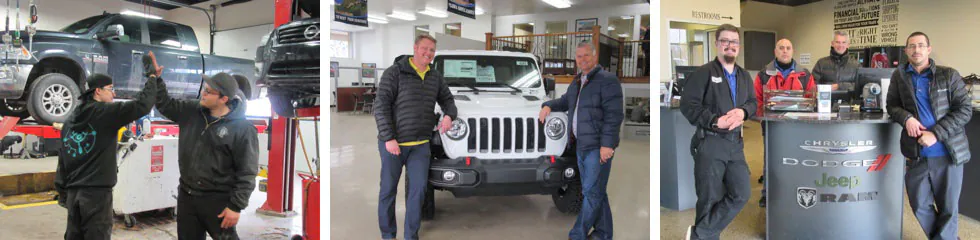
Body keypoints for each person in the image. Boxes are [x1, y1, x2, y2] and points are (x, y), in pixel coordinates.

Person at [148, 51, 260, 239]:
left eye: (209, 92)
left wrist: (236, 206)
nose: (203, 93)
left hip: (218, 201)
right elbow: (165, 105)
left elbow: (247, 172)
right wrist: (157, 80)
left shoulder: (242, 129)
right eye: (204, 89)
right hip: (187, 197)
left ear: (224, 99)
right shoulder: (192, 111)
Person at [55, 59, 159, 239]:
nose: (114, 93)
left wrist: (63, 193)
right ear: (98, 91)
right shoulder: (106, 113)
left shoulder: (70, 120)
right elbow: (142, 105)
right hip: (96, 195)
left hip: (73, 195)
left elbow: (62, 158)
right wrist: (151, 77)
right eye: (111, 88)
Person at [886, 32, 971, 240]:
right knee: (919, 204)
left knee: (948, 208)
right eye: (912, 46)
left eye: (921, 45)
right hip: (917, 154)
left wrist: (935, 133)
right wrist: (906, 118)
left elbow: (964, 110)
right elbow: (892, 106)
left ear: (929, 49)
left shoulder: (948, 75)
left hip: (947, 153)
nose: (916, 50)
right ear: (906, 50)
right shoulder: (899, 76)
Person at [373, 34, 458, 240]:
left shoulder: (434, 76)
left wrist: (449, 115)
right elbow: (380, 106)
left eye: (432, 50)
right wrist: (388, 138)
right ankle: (388, 235)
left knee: (418, 192)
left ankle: (411, 235)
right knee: (388, 191)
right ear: (415, 48)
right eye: (424, 48)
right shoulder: (395, 73)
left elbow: (448, 100)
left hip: (420, 145)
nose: (428, 53)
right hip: (394, 144)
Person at [540, 40, 624, 240]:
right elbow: (565, 101)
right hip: (581, 146)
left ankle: (577, 234)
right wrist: (548, 105)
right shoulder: (578, 81)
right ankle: (604, 234)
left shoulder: (607, 80)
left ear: (595, 56)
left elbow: (614, 116)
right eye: (579, 56)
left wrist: (607, 145)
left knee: (592, 193)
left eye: (587, 55)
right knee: (596, 191)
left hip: (597, 147)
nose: (583, 59)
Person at [679, 23, 756, 240]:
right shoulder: (703, 73)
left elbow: (753, 102)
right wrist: (714, 121)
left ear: (739, 46)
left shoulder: (744, 76)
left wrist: (743, 112)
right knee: (709, 198)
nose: (730, 45)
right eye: (725, 41)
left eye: (734, 41)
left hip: (735, 144)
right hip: (710, 142)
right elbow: (688, 105)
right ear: (717, 44)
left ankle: (699, 234)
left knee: (741, 193)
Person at [752, 38, 815, 208]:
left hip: (798, 127)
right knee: (771, 160)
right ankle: (767, 194)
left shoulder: (805, 75)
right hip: (772, 127)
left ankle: (794, 192)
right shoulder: (764, 74)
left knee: (797, 160)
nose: (785, 51)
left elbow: (811, 99)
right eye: (781, 48)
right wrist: (765, 116)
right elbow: (756, 100)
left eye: (788, 48)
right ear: (775, 51)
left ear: (792, 51)